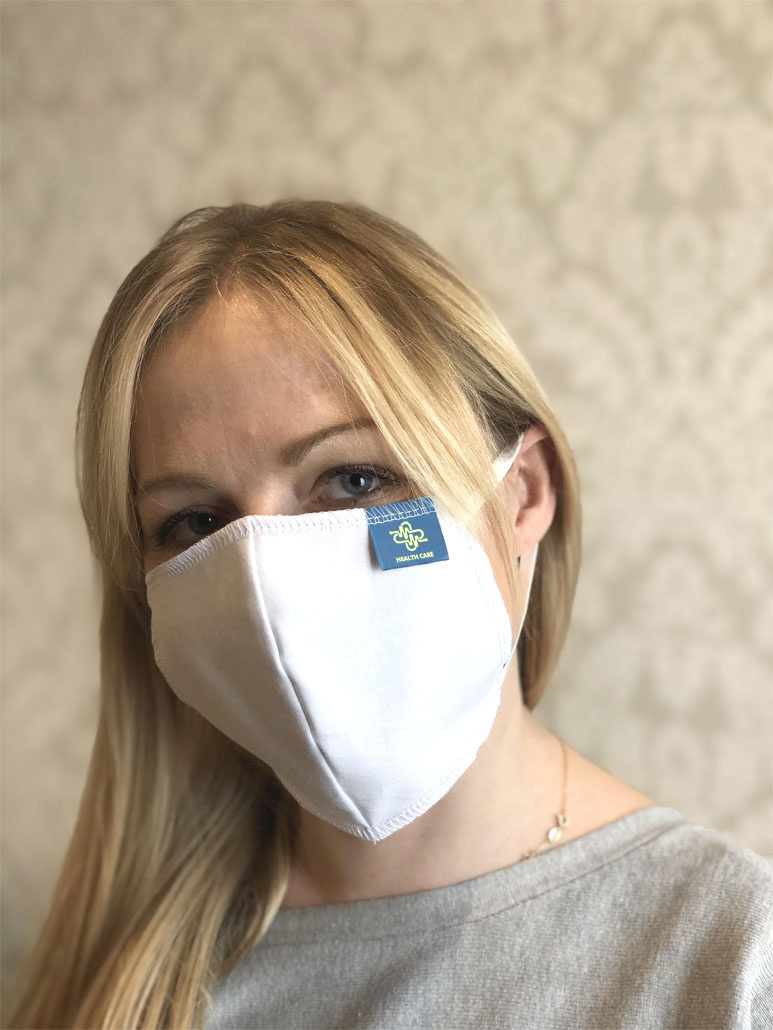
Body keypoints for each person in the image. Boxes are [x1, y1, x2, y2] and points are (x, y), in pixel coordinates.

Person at [9, 200, 772, 1030]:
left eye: (354, 480)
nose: (266, 583)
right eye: (196, 522)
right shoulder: (123, 983)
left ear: (521, 493)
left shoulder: (734, 959)